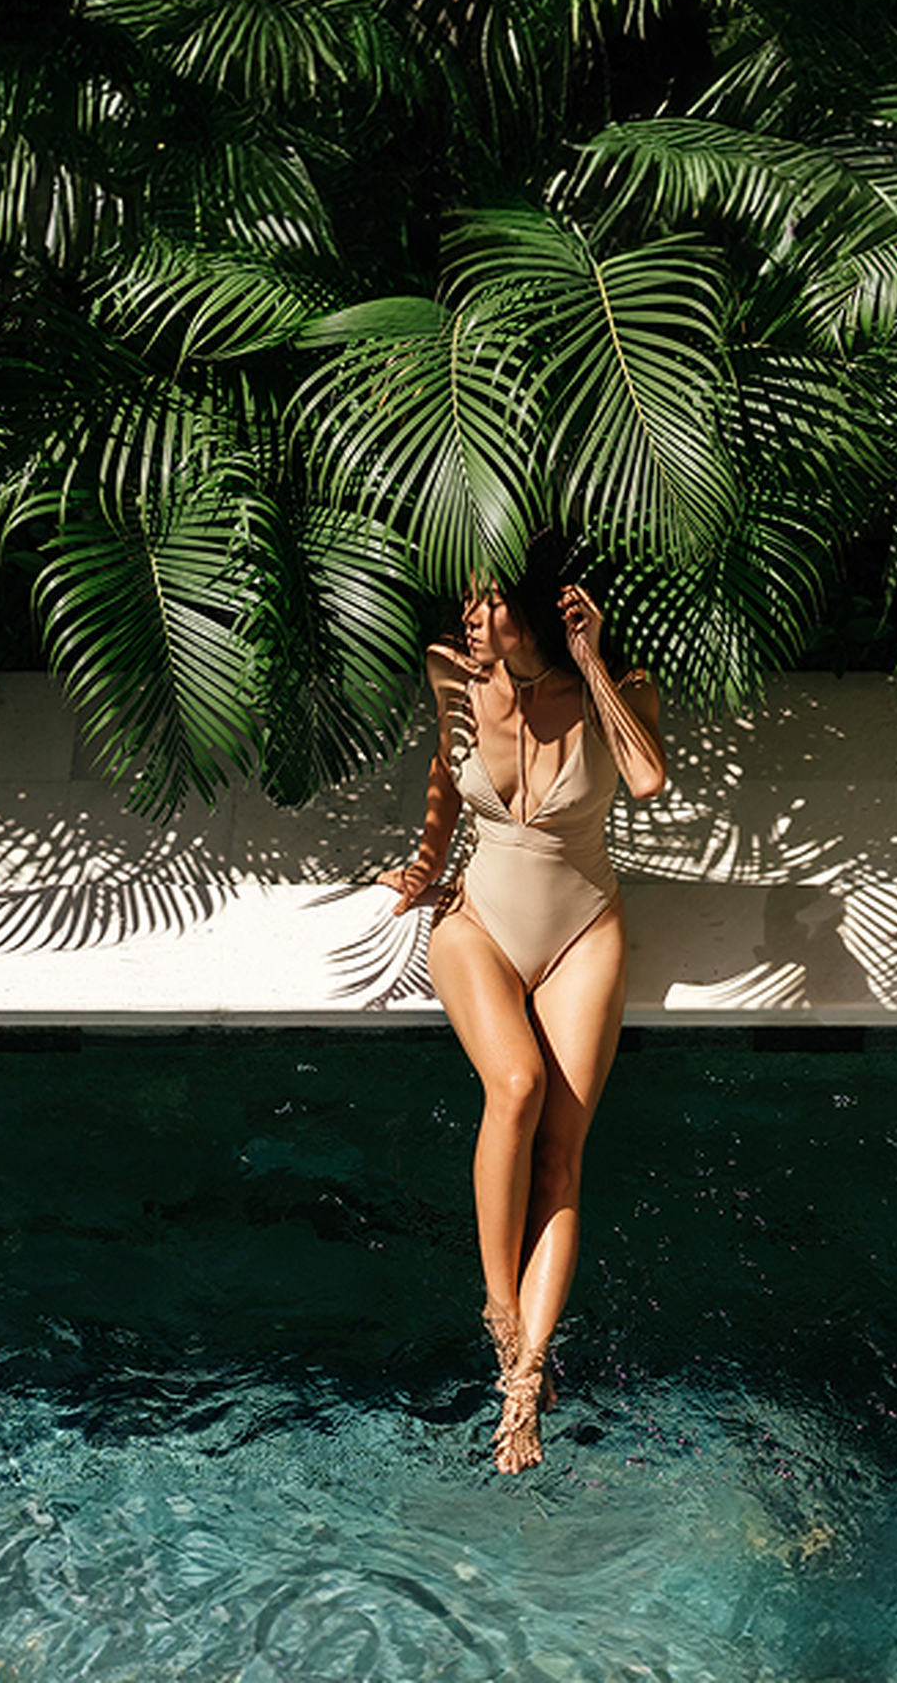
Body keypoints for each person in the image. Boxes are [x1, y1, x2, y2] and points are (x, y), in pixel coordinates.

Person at [378, 536, 666, 1473]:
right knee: (515, 1084)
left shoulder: (616, 689)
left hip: (583, 929)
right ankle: (501, 1309)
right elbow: (443, 772)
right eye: (466, 601)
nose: (469, 615)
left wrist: (589, 662)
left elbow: (650, 779)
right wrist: (426, 864)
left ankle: (525, 1383)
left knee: (563, 1153)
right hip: (481, 922)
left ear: (539, 610)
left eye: (489, 601)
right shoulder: (453, 676)